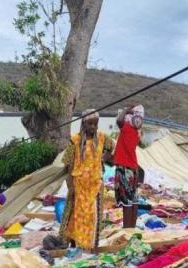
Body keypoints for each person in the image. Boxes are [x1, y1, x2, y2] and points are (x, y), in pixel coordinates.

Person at [59, 109, 114, 251]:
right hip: (79, 186)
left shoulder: (102, 138)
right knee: (75, 216)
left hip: (95, 185)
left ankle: (91, 246)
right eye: (90, 124)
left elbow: (111, 147)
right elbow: (68, 165)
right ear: (84, 123)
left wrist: (103, 158)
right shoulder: (75, 141)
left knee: (93, 217)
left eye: (95, 124)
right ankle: (72, 244)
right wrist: (70, 186)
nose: (93, 127)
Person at [113, 105, 144, 227]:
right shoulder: (137, 133)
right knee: (133, 201)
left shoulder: (127, 129)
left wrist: (127, 109)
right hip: (133, 169)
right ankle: (132, 229)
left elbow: (119, 120)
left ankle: (126, 231)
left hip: (125, 169)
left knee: (126, 203)